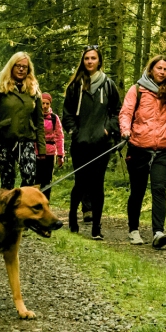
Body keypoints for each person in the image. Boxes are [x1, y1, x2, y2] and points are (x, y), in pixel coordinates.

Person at [119, 55, 166, 248]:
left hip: (162, 150)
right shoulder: (137, 89)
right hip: (138, 148)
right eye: (159, 68)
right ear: (151, 69)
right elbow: (126, 112)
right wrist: (125, 129)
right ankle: (134, 230)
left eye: (165, 69)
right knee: (137, 191)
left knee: (159, 189)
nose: (162, 72)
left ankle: (158, 233)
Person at [62, 45, 121, 239]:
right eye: (86, 58)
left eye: (93, 58)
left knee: (97, 185)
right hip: (80, 144)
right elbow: (67, 114)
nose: (89, 61)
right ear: (83, 61)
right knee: (80, 183)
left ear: (99, 61)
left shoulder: (108, 85)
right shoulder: (75, 86)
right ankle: (72, 217)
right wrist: (75, 132)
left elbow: (116, 111)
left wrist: (108, 129)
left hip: (101, 144)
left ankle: (97, 227)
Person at [0, 52, 46, 189]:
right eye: (18, 66)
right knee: (7, 181)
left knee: (30, 177)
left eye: (25, 66)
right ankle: (6, 209)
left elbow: (39, 121)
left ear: (29, 70)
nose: (21, 69)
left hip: (27, 140)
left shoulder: (34, 90)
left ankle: (22, 206)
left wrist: (42, 148)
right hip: (4, 140)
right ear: (11, 67)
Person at [37, 92, 64, 196]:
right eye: (43, 103)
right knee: (36, 179)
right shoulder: (36, 116)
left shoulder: (54, 118)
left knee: (47, 180)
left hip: (50, 153)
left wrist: (60, 155)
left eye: (47, 104)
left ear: (50, 104)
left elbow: (59, 136)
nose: (44, 106)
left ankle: (45, 202)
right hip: (37, 151)